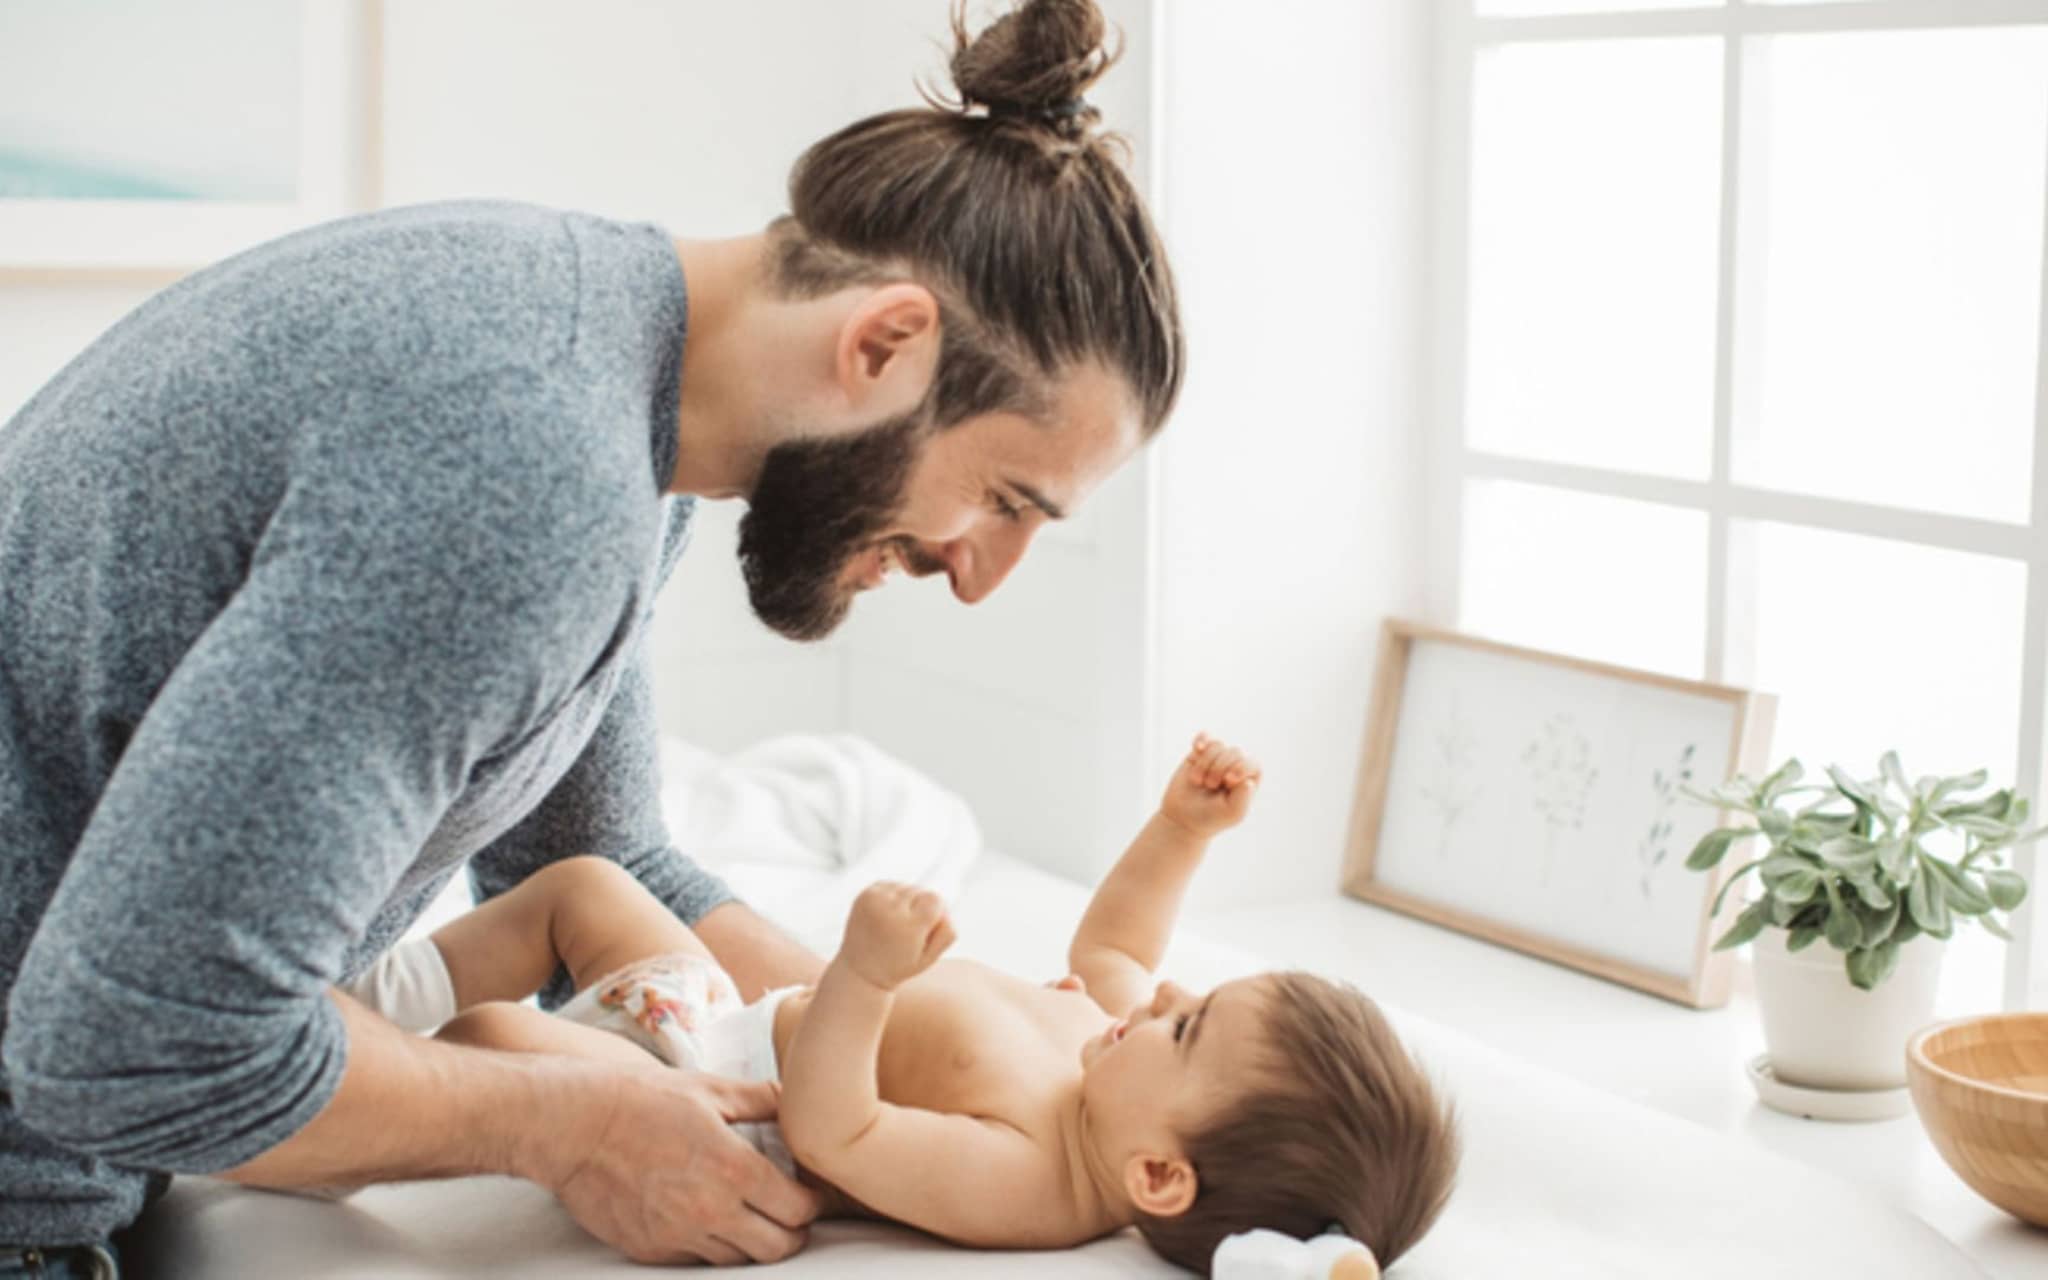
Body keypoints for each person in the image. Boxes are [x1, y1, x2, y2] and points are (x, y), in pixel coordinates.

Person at [0, 0, 1183, 1271]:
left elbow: (591, 851)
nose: (978, 576)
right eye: (1005, 502)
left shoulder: (617, 382)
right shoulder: (519, 476)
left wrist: (876, 1026)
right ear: (884, 343)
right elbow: (132, 1049)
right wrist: (569, 1127)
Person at [366, 735, 1461, 1273]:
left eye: (1188, 1024)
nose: (1166, 994)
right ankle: (369, 991)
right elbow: (1118, 941)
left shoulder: (1036, 1175)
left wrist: (867, 976)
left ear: (1158, 1174)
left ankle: (353, 1060)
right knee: (584, 888)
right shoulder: (1110, 1050)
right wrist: (1181, 830)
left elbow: (834, 1126)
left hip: (693, 1097)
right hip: (722, 1012)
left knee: (503, 1041)